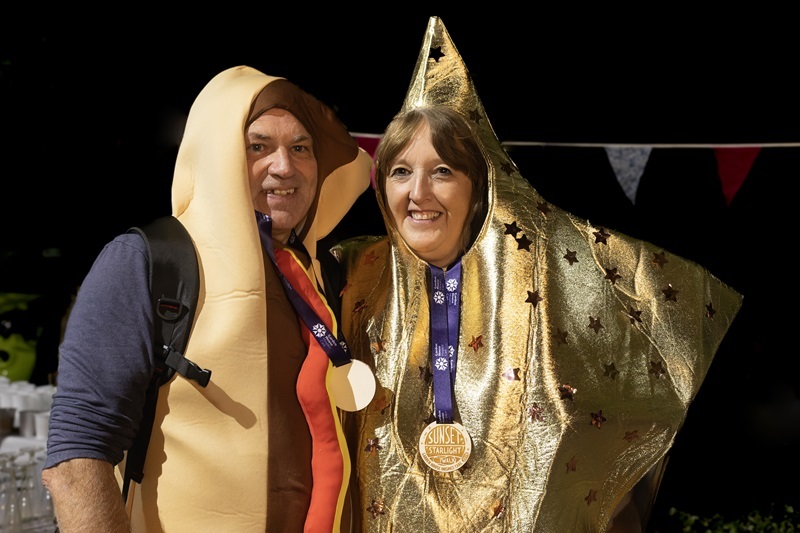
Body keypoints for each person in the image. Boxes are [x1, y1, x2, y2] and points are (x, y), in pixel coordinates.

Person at [333, 17, 742, 532]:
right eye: (399, 171)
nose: (418, 192)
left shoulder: (548, 287)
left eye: (442, 171)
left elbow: (618, 422)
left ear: (479, 187)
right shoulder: (355, 275)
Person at [41, 65, 373, 532]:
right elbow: (77, 459)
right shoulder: (147, 261)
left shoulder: (323, 273)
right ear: (218, 156)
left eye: (301, 148)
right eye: (257, 146)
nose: (284, 166)